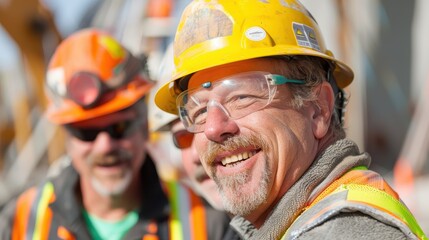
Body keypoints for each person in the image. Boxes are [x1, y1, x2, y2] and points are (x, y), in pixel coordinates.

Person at [153, 1, 428, 239]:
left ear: (318, 108)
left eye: (241, 97)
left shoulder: (342, 232)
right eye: (198, 111)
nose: (213, 128)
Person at [0, 28, 231, 239]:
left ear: (144, 127)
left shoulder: (205, 220)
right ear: (67, 138)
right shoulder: (20, 222)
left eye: (119, 128)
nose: (105, 146)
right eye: (87, 132)